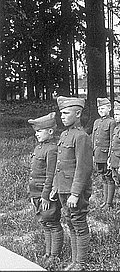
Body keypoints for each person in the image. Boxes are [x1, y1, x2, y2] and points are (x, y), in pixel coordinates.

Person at [51, 96, 93, 270]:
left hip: (74, 191)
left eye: (66, 113)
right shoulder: (65, 134)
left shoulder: (81, 136)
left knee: (78, 222)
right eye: (61, 113)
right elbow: (60, 164)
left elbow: (83, 168)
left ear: (78, 113)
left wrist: (75, 193)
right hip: (63, 188)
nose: (62, 116)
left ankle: (81, 263)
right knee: (69, 221)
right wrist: (55, 186)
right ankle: (75, 261)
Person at [28, 112, 63, 268]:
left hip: (46, 194)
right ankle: (48, 253)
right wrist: (33, 194)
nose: (36, 134)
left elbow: (50, 175)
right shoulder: (39, 147)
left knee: (53, 223)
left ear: (50, 131)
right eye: (35, 131)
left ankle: (55, 255)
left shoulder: (52, 150)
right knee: (44, 223)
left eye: (39, 131)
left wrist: (46, 196)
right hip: (36, 192)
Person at [92, 97, 116, 209]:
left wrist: (110, 157)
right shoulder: (96, 122)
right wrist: (93, 154)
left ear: (109, 108)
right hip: (98, 155)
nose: (100, 110)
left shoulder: (112, 122)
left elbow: (112, 141)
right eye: (99, 108)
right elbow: (93, 139)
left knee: (109, 178)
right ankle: (105, 201)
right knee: (103, 178)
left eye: (103, 108)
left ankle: (109, 203)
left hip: (106, 155)